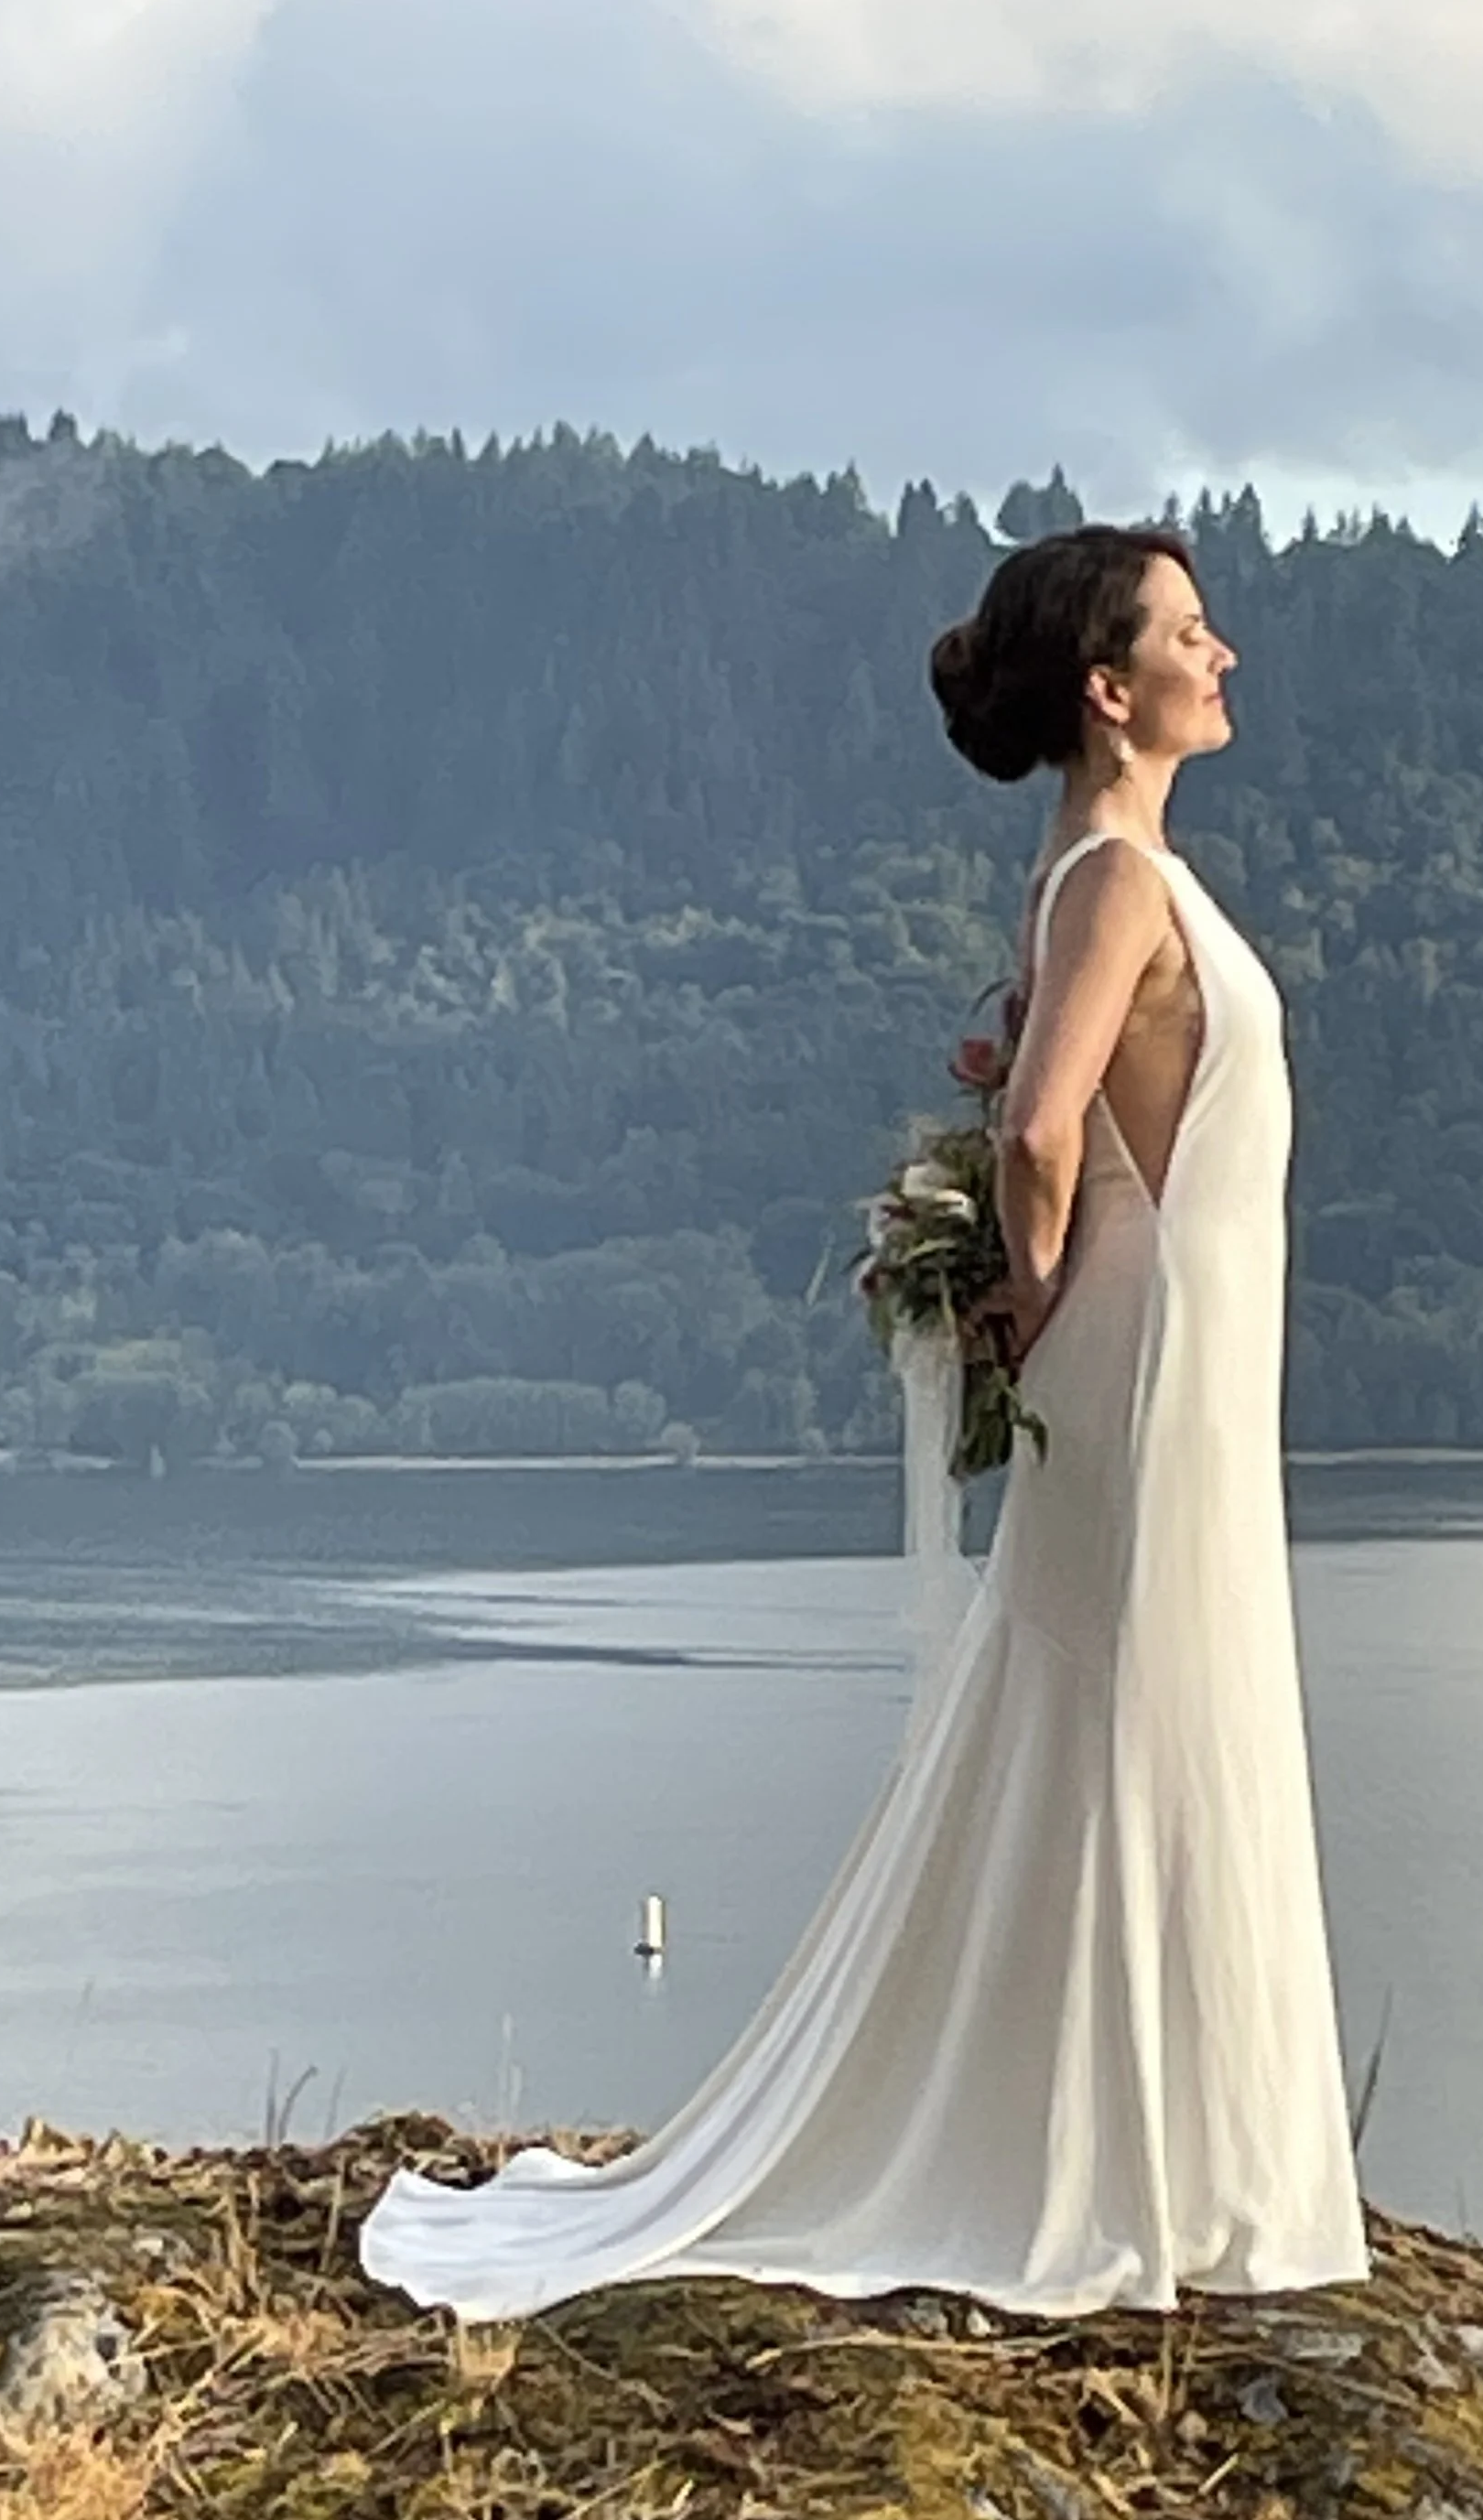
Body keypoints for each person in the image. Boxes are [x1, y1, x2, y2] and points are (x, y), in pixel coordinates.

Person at [357, 522, 1372, 2322]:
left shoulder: (1103, 869)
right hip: (1146, 1356)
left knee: (1152, 1712)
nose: (1224, 659)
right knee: (1148, 1711)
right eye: (1190, 635)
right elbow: (1040, 1129)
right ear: (1105, 682)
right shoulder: (1112, 880)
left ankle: (1156, 2152)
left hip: (1180, 1349)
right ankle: (1147, 2169)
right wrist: (1037, 1300)